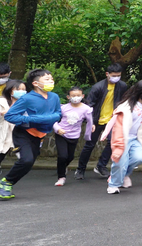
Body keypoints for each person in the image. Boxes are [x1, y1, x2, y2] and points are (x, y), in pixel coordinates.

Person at [0, 69, 61, 200]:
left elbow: (58, 113)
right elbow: (10, 116)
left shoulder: (54, 97)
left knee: (29, 163)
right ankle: (6, 182)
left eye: (51, 79)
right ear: (35, 83)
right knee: (26, 160)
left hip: (40, 135)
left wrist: (50, 118)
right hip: (24, 133)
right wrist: (34, 120)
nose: (51, 81)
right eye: (47, 79)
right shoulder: (27, 98)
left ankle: (8, 182)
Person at [101, 79, 142, 194]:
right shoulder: (125, 107)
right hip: (123, 138)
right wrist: (118, 146)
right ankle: (113, 185)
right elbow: (117, 128)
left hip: (136, 139)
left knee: (138, 158)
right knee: (120, 161)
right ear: (140, 91)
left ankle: (123, 175)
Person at [75, 63, 128, 180]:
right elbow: (89, 105)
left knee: (112, 143)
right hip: (97, 120)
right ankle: (80, 169)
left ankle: (101, 166)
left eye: (119, 75)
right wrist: (91, 122)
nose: (116, 77)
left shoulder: (122, 86)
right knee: (89, 145)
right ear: (107, 74)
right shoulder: (98, 87)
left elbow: (124, 102)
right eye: (114, 75)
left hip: (112, 120)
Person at [53, 87, 94, 186]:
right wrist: (57, 129)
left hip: (74, 136)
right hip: (61, 134)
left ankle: (62, 167)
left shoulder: (86, 109)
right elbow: (53, 120)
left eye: (78, 95)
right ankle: (61, 177)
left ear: (82, 96)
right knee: (62, 156)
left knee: (70, 157)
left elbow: (89, 121)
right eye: (73, 96)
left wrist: (90, 128)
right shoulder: (63, 108)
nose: (76, 97)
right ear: (68, 97)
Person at [0, 80, 26, 173]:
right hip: (2, 131)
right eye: (18, 89)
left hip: (12, 135)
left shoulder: (26, 104)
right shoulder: (2, 102)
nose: (22, 91)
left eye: (24, 89)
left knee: (3, 153)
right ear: (10, 90)